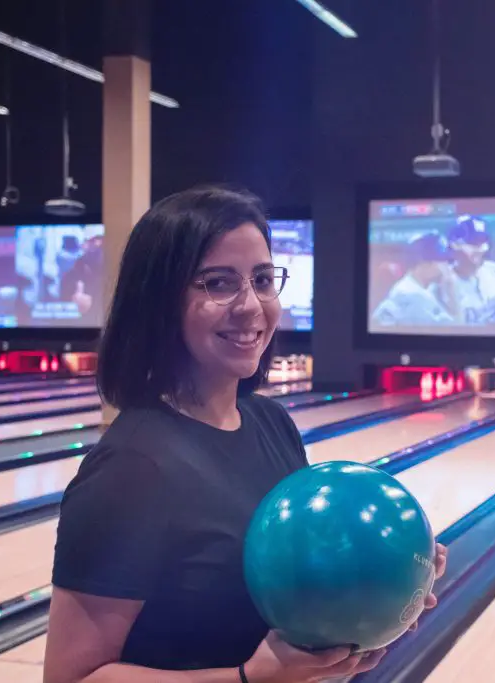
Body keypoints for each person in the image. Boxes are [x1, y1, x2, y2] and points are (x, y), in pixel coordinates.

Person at [44, 186, 447, 683]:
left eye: (262, 279)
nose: (250, 306)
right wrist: (248, 679)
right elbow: (72, 678)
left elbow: (297, 608)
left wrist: (385, 580)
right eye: (217, 284)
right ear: (159, 300)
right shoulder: (131, 470)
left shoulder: (270, 423)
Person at [444, 214, 495, 325]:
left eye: (483, 242)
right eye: (473, 243)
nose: (481, 249)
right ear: (454, 245)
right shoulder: (441, 284)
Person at [371, 231, 455, 327]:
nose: (447, 267)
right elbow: (454, 331)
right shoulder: (412, 295)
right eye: (442, 261)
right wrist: (452, 292)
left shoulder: (422, 288)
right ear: (424, 264)